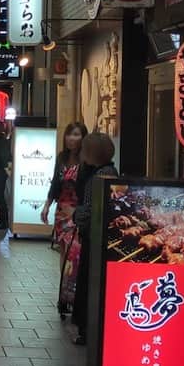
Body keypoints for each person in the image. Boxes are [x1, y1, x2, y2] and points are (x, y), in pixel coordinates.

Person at [70, 132, 118, 345]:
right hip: (97, 235)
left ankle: (88, 329)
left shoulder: (100, 176)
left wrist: (76, 216)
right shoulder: (107, 171)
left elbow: (90, 208)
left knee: (89, 282)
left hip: (95, 237)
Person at [40, 122, 88, 315]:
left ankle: (74, 295)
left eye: (76, 134)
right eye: (69, 134)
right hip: (61, 211)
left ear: (83, 138)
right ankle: (64, 295)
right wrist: (47, 205)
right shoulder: (62, 158)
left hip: (77, 211)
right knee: (64, 253)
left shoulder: (86, 161)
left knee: (74, 253)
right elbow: (55, 183)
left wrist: (79, 210)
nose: (71, 138)